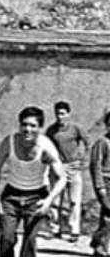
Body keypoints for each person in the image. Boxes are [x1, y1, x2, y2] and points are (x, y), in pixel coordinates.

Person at [0, 106, 66, 257]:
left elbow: (62, 178)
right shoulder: (10, 142)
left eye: (33, 126)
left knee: (29, 242)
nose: (27, 130)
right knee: (6, 239)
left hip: (36, 197)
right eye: (24, 125)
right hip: (11, 195)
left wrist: (48, 201)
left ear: (40, 128)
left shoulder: (46, 147)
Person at [43, 100, 90, 242]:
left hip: (73, 168)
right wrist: (50, 164)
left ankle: (74, 230)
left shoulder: (76, 128)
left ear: (68, 114)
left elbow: (87, 142)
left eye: (63, 114)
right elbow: (45, 147)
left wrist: (82, 160)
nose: (60, 116)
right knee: (55, 200)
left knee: (74, 200)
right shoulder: (51, 131)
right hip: (57, 168)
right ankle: (54, 229)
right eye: (57, 113)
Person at [89, 110, 110, 257]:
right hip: (106, 182)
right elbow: (95, 165)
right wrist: (100, 187)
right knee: (108, 214)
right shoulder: (102, 143)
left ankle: (99, 242)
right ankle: (100, 245)